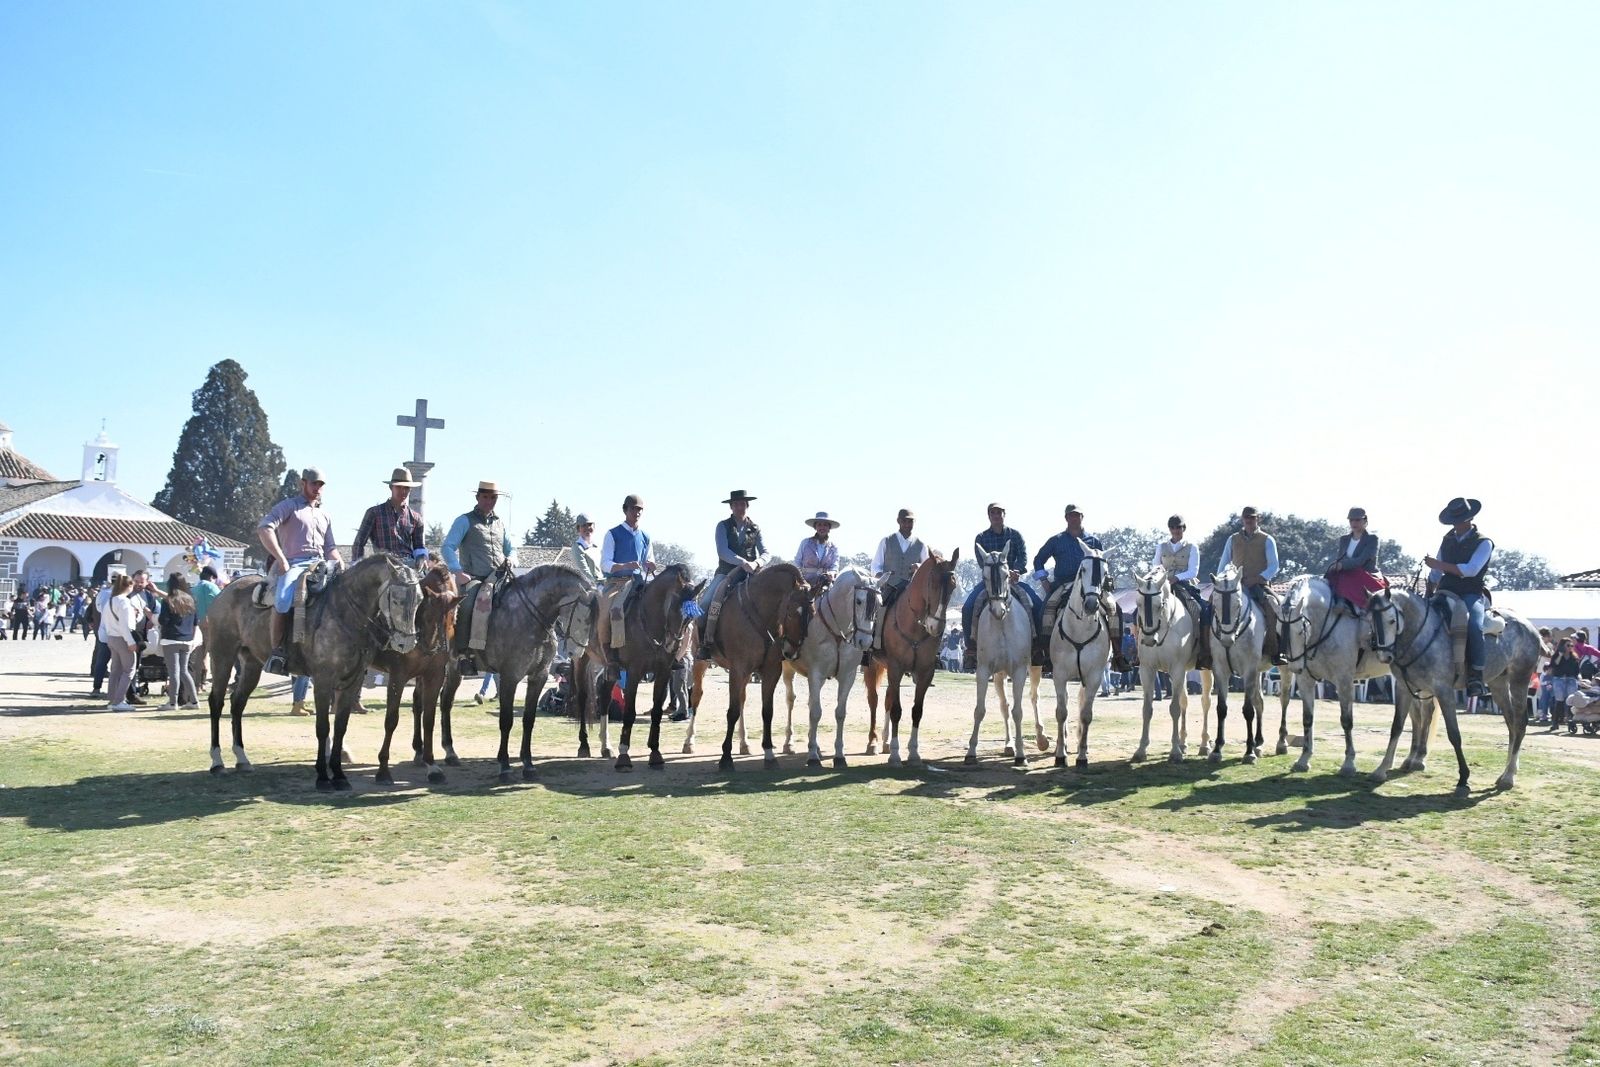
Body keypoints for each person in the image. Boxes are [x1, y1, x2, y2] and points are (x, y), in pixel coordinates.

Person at [257, 467, 343, 675]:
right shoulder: (289, 506)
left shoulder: (324, 515)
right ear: (303, 483)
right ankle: (277, 652)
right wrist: (281, 559)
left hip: (320, 564)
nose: (317, 488)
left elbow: (330, 547)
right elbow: (264, 528)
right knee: (284, 599)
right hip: (294, 564)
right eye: (314, 483)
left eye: (321, 485)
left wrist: (341, 564)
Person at [1424, 497, 1494, 700]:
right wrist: (1430, 584)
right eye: (1454, 521)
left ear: (1470, 519)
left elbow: (1470, 571)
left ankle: (1476, 675)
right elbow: (1436, 572)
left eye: (1460, 520)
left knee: (1473, 625)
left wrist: (1437, 565)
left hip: (1470, 593)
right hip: (1445, 591)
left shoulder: (1484, 542)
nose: (1457, 524)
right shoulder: (1447, 540)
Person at [961, 503, 1038, 669]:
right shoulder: (981, 538)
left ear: (1004, 514)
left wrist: (1015, 570)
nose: (996, 516)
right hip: (990, 582)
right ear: (989, 516)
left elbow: (1023, 557)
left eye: (999, 512)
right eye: (993, 513)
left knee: (1037, 603)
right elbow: (982, 561)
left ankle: (1038, 645)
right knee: (968, 607)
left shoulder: (1015, 535)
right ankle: (971, 648)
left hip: (1013, 580)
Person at [699, 490, 769, 659]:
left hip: (750, 575)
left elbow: (766, 552)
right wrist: (742, 562)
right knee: (705, 604)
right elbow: (723, 551)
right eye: (736, 504)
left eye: (743, 504)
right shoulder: (722, 526)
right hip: (726, 573)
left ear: (747, 506)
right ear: (731, 507)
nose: (740, 507)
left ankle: (772, 644)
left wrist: (756, 563)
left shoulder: (755, 528)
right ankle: (705, 644)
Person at [1217, 506, 1283, 663]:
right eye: (1246, 517)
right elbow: (1223, 564)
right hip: (1235, 586)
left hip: (1259, 585)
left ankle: (1274, 651)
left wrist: (1258, 578)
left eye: (1252, 517)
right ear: (1242, 519)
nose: (1249, 520)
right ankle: (1209, 651)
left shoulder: (1267, 539)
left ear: (1257, 519)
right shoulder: (1232, 539)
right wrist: (1222, 582)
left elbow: (1274, 566)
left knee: (1273, 608)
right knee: (1211, 608)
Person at [598, 494, 657, 669]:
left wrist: (651, 565)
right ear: (625, 510)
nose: (636, 512)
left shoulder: (646, 537)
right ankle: (611, 655)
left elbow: (649, 560)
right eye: (633, 508)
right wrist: (624, 565)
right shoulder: (613, 534)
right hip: (617, 582)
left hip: (639, 581)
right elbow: (605, 564)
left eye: (639, 509)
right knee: (612, 610)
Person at [1033, 504, 1104, 642]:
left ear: (1082, 517)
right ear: (1066, 518)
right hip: (1063, 583)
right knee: (1045, 611)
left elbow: (1102, 563)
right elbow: (1038, 560)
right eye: (1071, 515)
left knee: (1114, 609)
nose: (1074, 518)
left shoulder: (1094, 541)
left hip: (1090, 585)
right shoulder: (1056, 540)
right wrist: (1044, 580)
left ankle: (1118, 653)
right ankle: (1045, 652)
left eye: (1077, 515)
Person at [353, 467, 428, 564]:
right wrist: (357, 567)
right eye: (398, 487)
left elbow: (419, 547)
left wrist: (422, 558)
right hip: (382, 565)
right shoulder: (374, 513)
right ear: (391, 487)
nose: (403, 491)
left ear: (410, 490)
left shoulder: (416, 518)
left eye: (406, 488)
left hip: (408, 565)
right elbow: (359, 543)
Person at [1325, 507, 1385, 614]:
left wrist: (1342, 565)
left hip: (1365, 573)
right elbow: (1341, 558)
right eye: (1351, 520)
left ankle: (1342, 602)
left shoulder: (1372, 539)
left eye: (1357, 520)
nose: (1354, 523)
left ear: (1365, 521)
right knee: (1331, 575)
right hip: (1347, 572)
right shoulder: (1344, 539)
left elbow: (1361, 560)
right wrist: (1336, 565)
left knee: (1347, 575)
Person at [156, 574, 200, 709]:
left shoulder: (168, 601)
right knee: (184, 671)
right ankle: (194, 700)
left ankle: (172, 702)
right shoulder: (191, 600)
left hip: (171, 639)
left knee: (173, 672)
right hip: (187, 639)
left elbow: (163, 621)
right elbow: (194, 622)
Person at [101, 574, 140, 712]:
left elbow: (105, 621)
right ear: (129, 586)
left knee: (115, 670)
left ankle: (112, 699)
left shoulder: (110, 601)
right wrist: (130, 641)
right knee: (129, 670)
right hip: (122, 637)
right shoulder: (124, 602)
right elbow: (124, 625)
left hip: (112, 637)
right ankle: (119, 701)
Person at [795, 512, 841, 585]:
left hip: (825, 582)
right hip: (805, 582)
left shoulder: (833, 547)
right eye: (819, 525)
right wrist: (800, 579)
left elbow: (835, 565)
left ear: (829, 528)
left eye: (825, 525)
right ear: (815, 527)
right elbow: (797, 561)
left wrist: (832, 572)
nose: (822, 527)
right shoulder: (805, 543)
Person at [1548, 637, 1580, 732]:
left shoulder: (1574, 656)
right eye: (1568, 645)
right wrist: (1560, 655)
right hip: (1559, 679)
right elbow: (1554, 665)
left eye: (1571, 645)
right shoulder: (1556, 655)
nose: (1570, 647)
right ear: (1562, 646)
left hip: (1571, 679)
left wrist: (1576, 678)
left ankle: (1571, 721)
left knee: (1571, 701)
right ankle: (1555, 722)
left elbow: (1577, 670)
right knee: (1559, 700)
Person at [570, 513, 603, 585]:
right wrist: (597, 585)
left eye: (590, 525)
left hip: (602, 584)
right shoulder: (577, 548)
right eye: (584, 525)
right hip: (587, 588)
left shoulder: (597, 547)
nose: (587, 528)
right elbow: (584, 571)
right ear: (578, 529)